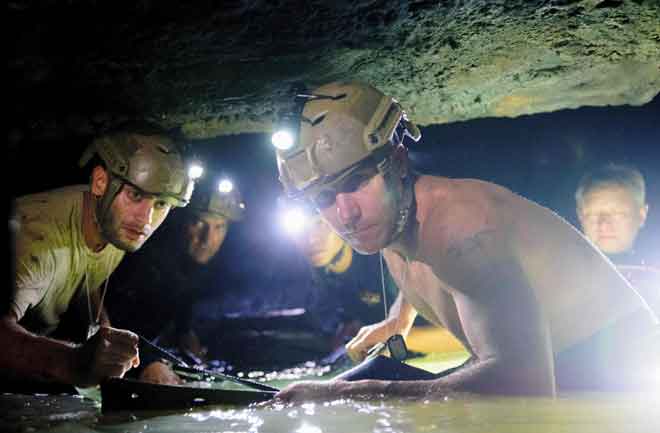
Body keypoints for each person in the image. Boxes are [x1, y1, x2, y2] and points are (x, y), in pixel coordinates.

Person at [270, 81, 659, 401]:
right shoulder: (392, 219)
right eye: (323, 197)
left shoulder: (465, 228)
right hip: (556, 371)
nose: (345, 213)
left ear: (399, 163)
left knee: (362, 395)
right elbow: (433, 262)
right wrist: (399, 318)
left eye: (355, 182)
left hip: (619, 381)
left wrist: (343, 394)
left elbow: (524, 385)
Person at [1, 121, 196, 391]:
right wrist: (73, 362)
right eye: (135, 194)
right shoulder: (36, 238)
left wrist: (110, 338)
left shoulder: (115, 226)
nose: (146, 220)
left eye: (161, 203)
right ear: (101, 182)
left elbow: (87, 278)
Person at [105, 174, 245, 384]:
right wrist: (150, 363)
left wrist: (186, 335)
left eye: (219, 227)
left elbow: (182, 311)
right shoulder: (145, 258)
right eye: (199, 223)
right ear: (180, 219)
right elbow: (108, 322)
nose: (208, 239)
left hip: (140, 349)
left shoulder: (198, 264)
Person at [283, 202, 397, 355]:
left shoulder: (382, 257)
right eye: (300, 229)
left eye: (321, 224)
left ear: (342, 224)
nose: (311, 240)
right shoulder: (322, 275)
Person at [576, 163, 659, 314]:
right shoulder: (556, 275)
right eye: (593, 214)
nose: (604, 225)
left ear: (641, 215)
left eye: (618, 214)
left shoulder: (654, 278)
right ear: (580, 216)